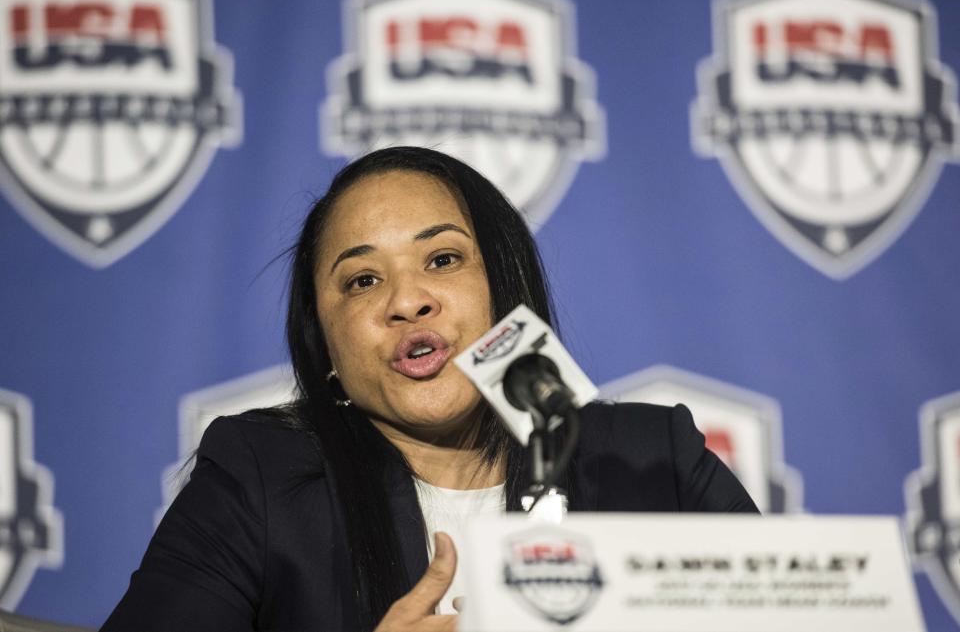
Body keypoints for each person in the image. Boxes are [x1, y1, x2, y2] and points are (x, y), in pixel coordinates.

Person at [101, 146, 758, 632]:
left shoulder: (653, 457)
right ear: (324, 341)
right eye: (362, 280)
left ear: (505, 289)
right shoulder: (258, 475)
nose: (408, 300)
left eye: (442, 260)